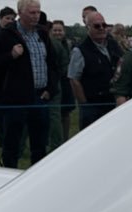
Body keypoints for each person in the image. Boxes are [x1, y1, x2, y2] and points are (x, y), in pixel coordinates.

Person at [0, 0, 59, 168]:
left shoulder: (42, 34)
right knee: (12, 143)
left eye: (38, 12)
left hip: (40, 96)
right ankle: (9, 177)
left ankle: (38, 177)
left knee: (40, 144)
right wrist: (10, 55)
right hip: (16, 99)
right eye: (32, 13)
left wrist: (50, 89)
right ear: (20, 13)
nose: (36, 16)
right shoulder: (7, 35)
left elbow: (53, 64)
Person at [68, 9, 122, 128]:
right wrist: (84, 104)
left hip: (113, 101)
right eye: (97, 26)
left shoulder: (113, 45)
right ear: (88, 28)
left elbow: (121, 62)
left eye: (104, 25)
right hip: (92, 105)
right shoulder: (80, 50)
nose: (102, 28)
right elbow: (74, 79)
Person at [47, 19, 74, 147]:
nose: (58, 33)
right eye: (55, 30)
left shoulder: (69, 44)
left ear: (64, 31)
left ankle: (65, 138)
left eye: (60, 30)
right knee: (54, 114)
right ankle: (53, 140)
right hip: (54, 81)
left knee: (66, 111)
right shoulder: (48, 44)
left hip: (66, 80)